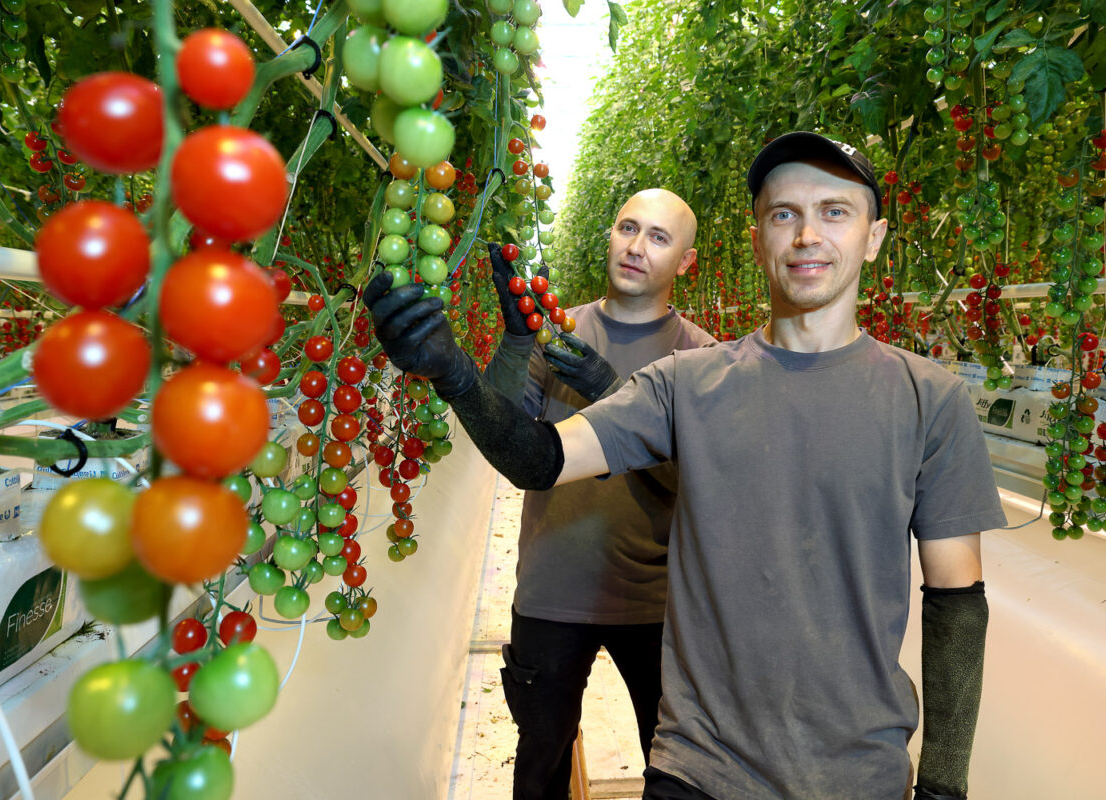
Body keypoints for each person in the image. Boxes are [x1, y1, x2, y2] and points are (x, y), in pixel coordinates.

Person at [366, 132, 1005, 800]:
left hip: (860, 775)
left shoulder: (930, 400)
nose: (807, 235)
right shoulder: (688, 382)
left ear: (874, 238)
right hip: (697, 770)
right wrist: (456, 375)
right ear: (757, 238)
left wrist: (943, 784)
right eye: (784, 213)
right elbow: (541, 459)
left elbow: (957, 604)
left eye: (835, 212)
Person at [480, 189, 716, 800]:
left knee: (676, 770)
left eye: (658, 237)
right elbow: (502, 442)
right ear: (609, 235)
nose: (636, 247)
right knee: (541, 765)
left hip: (659, 603)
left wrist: (611, 393)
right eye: (627, 228)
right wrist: (515, 342)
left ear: (686, 262)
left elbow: (706, 485)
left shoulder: (704, 359)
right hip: (551, 593)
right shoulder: (557, 334)